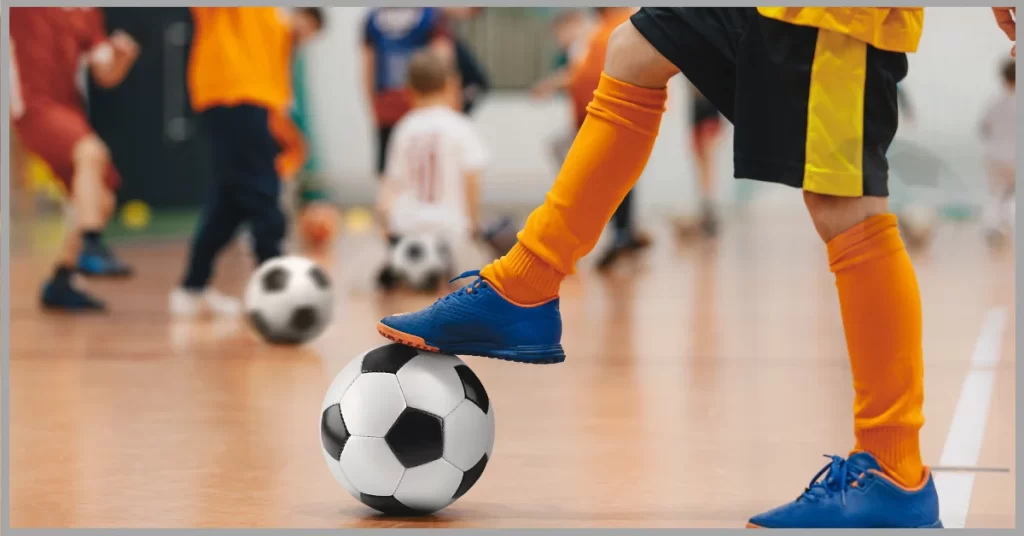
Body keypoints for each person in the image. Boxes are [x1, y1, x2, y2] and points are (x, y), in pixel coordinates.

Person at [377, 6, 1018, 528]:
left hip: (835, 16)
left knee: (845, 206)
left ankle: (892, 465)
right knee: (632, 49)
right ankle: (525, 285)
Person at [169, 7, 322, 317]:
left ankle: (193, 286)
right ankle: (278, 287)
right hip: (233, 95)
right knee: (261, 189)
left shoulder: (275, 25)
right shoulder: (242, 14)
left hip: (250, 102)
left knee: (229, 202)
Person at [10, 7, 140, 311]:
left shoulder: (88, 11)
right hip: (32, 107)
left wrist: (123, 57)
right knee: (91, 152)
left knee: (103, 199)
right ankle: (91, 247)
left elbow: (105, 74)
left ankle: (61, 282)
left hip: (69, 109)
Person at [376, 49, 490, 289]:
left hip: (406, 226)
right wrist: (473, 223)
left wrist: (385, 224)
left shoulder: (403, 128)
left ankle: (402, 263)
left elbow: (390, 184)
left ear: (409, 89)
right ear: (451, 85)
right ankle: (443, 269)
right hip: (448, 227)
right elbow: (472, 179)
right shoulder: (460, 126)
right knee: (485, 264)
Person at [363, 8, 453, 179]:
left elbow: (443, 61)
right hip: (392, 105)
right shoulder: (374, 21)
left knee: (395, 170)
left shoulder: (430, 17)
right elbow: (367, 66)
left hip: (415, 105)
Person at [979, 58, 1016, 247]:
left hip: (995, 157)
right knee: (1011, 196)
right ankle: (1010, 228)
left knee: (996, 195)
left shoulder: (994, 104)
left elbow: (984, 129)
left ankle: (994, 229)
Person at [688, 81, 725, 237]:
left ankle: (709, 208)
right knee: (701, 161)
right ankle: (706, 208)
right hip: (696, 111)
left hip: (709, 111)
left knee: (707, 160)